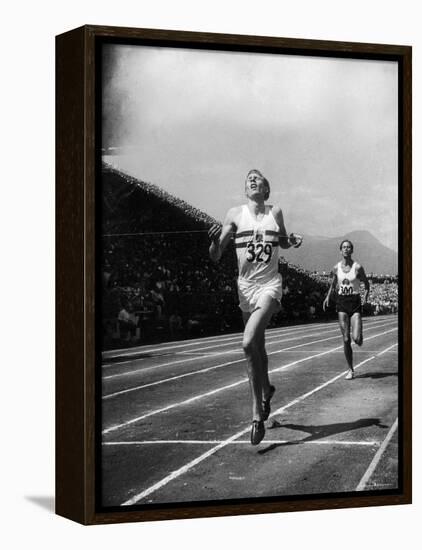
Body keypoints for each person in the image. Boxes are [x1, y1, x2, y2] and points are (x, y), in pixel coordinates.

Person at [208, 169, 303, 445]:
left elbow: (283, 241)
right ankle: (267, 390)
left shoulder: (277, 212)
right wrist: (215, 242)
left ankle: (256, 413)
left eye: (257, 178)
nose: (251, 180)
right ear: (245, 189)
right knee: (258, 347)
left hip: (270, 285)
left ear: (266, 188)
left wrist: (292, 241)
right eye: (248, 178)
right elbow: (215, 256)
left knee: (248, 342)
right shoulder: (234, 215)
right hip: (245, 288)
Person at [323, 240, 370, 380]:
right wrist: (327, 297)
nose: (346, 249)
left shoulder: (358, 268)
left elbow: (367, 284)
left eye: (348, 247)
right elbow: (332, 284)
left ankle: (359, 336)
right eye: (344, 247)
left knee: (356, 338)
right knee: (345, 338)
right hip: (342, 303)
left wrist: (365, 297)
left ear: (352, 250)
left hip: (355, 303)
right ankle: (350, 369)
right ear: (340, 250)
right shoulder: (335, 268)